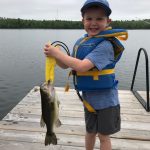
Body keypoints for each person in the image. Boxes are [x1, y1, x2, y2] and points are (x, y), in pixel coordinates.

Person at [44, 0, 128, 149]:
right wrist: (55, 56)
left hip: (107, 103)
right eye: (89, 18)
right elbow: (66, 65)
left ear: (108, 21)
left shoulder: (105, 45)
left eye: (99, 19)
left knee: (103, 137)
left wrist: (57, 53)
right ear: (82, 20)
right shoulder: (82, 42)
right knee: (90, 132)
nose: (93, 23)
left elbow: (82, 67)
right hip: (89, 101)